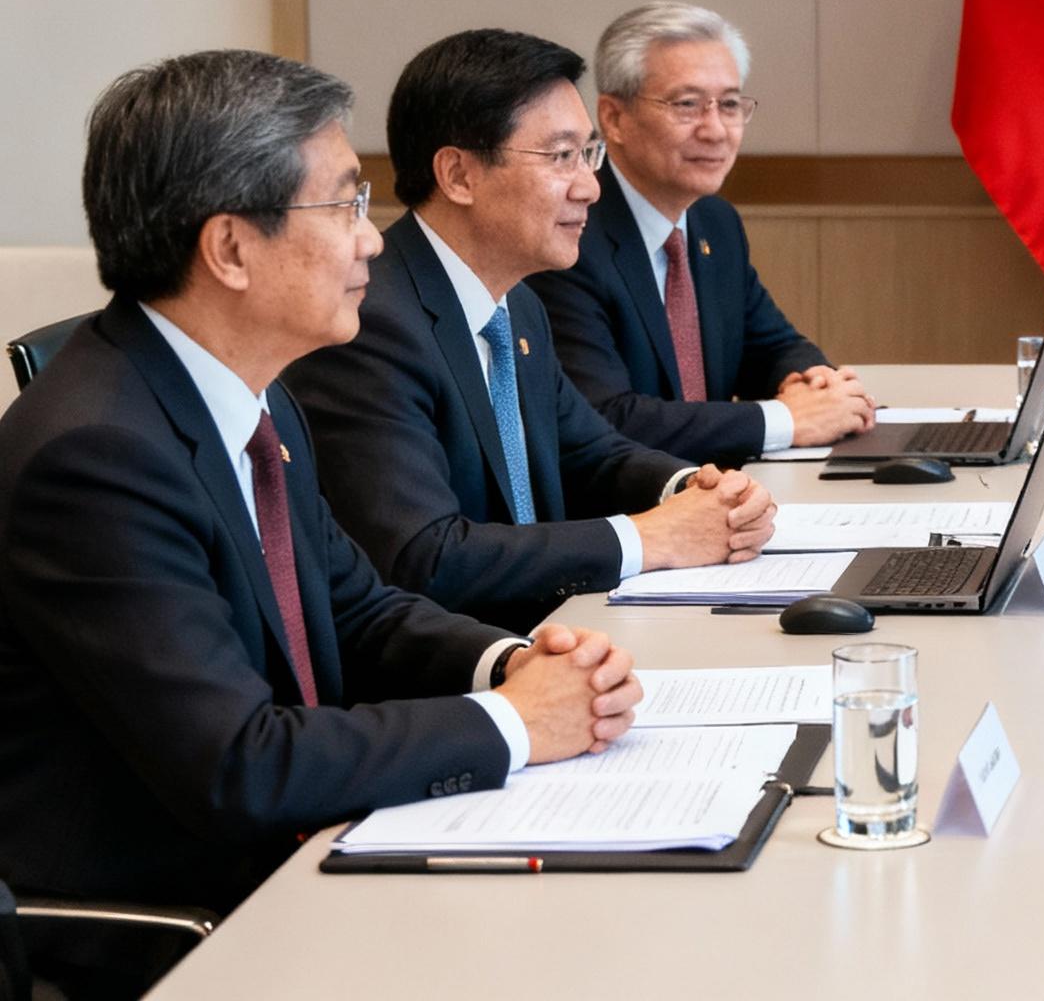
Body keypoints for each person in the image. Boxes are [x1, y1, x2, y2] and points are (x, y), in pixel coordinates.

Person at [0, 51, 642, 928]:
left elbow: (357, 610)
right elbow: (241, 763)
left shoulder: (254, 396)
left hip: (309, 855)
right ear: (230, 248)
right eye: (344, 205)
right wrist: (514, 722)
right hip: (188, 928)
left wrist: (512, 663)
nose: (373, 239)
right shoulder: (96, 460)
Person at [286, 29, 775, 633]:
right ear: (458, 175)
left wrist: (694, 490)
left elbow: (590, 453)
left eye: (588, 154)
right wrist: (648, 538)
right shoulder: (371, 327)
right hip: (467, 660)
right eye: (561, 156)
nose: (589, 186)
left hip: (561, 636)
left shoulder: (516, 303)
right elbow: (425, 557)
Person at [526, 2, 872, 465]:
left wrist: (814, 382)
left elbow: (772, 346)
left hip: (724, 490)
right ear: (614, 118)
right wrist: (787, 420)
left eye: (729, 105)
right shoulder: (570, 234)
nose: (715, 130)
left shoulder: (714, 221)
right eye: (687, 105)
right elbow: (604, 417)